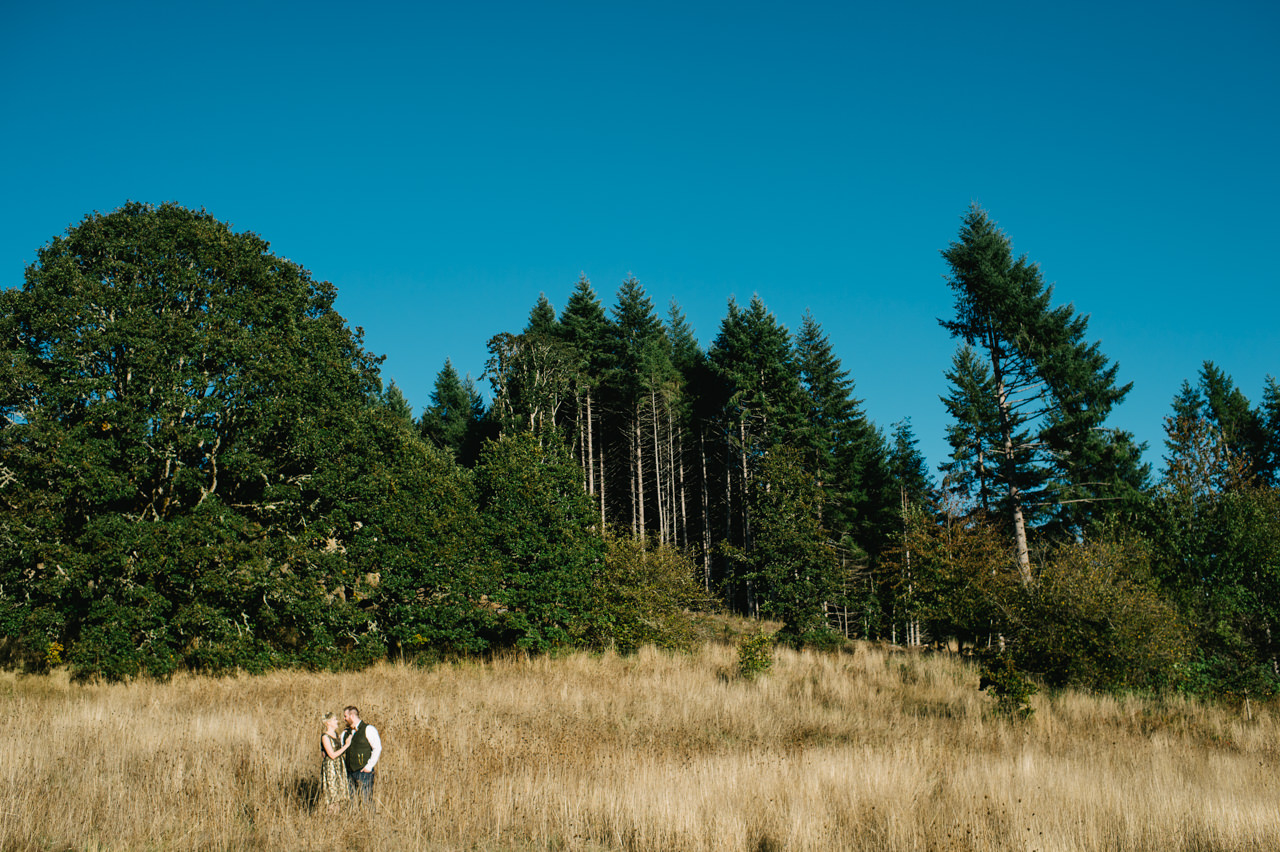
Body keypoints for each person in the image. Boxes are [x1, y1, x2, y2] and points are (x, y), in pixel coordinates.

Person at [341, 705, 382, 806]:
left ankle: (370, 821)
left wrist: (369, 766)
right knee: (351, 802)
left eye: (345, 716)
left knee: (366, 801)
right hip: (349, 772)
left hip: (364, 772)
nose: (344, 719)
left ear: (352, 716)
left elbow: (377, 748)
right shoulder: (345, 733)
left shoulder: (368, 729)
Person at [319, 712, 352, 814]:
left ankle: (336, 818)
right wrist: (346, 745)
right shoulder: (325, 736)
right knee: (332, 797)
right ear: (328, 723)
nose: (337, 721)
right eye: (334, 720)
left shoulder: (336, 735)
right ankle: (330, 819)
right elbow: (332, 755)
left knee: (339, 797)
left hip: (339, 766)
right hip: (331, 768)